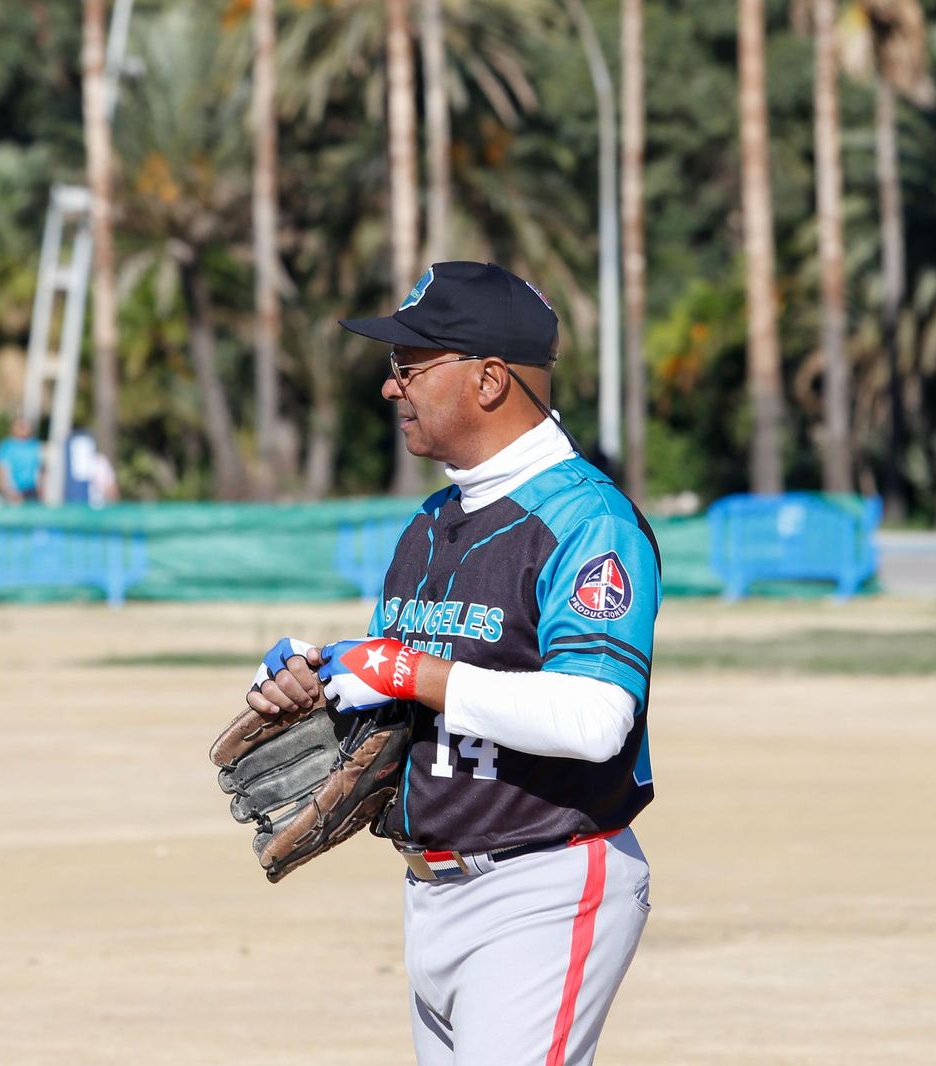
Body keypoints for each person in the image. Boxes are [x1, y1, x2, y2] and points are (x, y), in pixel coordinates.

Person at [246, 261, 661, 1065]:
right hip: (431, 893)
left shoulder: (587, 522)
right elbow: (399, 696)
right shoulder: (433, 521)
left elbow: (595, 717)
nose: (390, 387)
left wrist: (407, 672)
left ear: (490, 379)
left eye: (409, 365)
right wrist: (316, 683)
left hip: (543, 885)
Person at [0, 416, 43, 505]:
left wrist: (41, 489)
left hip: (33, 490)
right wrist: (8, 491)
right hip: (13, 491)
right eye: (20, 426)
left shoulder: (35, 445)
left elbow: (40, 469)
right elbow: (0, 470)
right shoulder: (6, 446)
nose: (23, 428)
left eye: (25, 426)